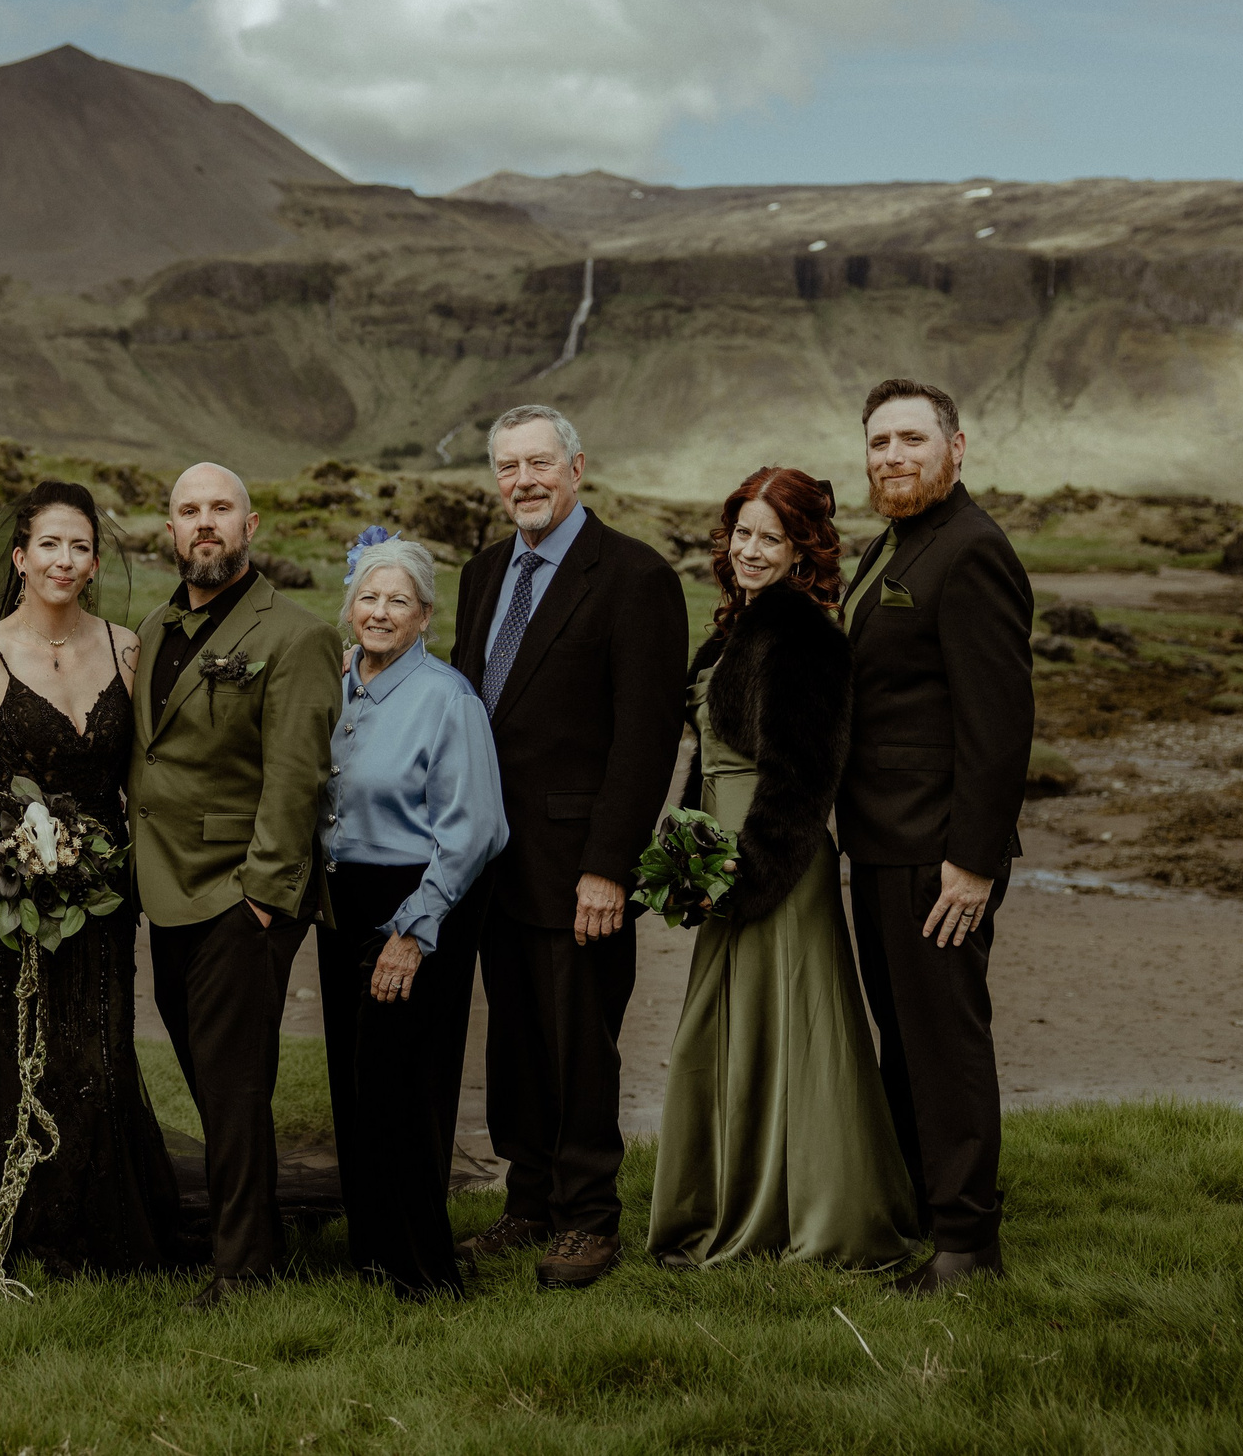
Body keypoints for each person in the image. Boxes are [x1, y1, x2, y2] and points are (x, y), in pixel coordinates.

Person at [648, 468, 918, 1271]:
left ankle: (824, 1217)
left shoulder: (803, 635)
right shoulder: (738, 627)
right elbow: (706, 766)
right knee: (726, 1035)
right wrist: (689, 862)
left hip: (778, 867)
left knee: (794, 1039)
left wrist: (745, 879)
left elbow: (804, 778)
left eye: (772, 537)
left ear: (804, 550)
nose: (751, 550)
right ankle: (735, 1200)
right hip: (728, 863)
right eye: (742, 533)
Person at [448, 404, 686, 1289]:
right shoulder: (480, 575)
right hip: (491, 862)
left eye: (539, 463)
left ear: (578, 467)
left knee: (581, 1043)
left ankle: (589, 1219)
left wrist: (607, 867)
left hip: (579, 864)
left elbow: (646, 737)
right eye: (508, 468)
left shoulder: (634, 577)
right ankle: (529, 1202)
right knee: (513, 1042)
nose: (524, 481)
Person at [0, 481, 182, 1282]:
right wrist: (1, 859)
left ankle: (91, 1233)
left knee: (95, 1058)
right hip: (4, 904)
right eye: (49, 545)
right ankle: (7, 1226)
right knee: (5, 1059)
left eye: (79, 547)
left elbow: (151, 772)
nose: (64, 560)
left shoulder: (127, 650)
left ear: (94, 561)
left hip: (99, 901)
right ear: (21, 557)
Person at [128, 462, 341, 1310]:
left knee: (235, 1081)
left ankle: (245, 1270)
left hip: (237, 897)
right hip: (166, 890)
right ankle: (244, 1230)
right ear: (171, 530)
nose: (204, 523)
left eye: (221, 509)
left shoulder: (295, 634)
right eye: (189, 511)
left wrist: (262, 897)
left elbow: (298, 779)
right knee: (206, 1074)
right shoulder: (153, 626)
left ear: (252, 527)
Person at [838, 379, 1034, 1296]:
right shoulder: (894, 544)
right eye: (879, 443)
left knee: (946, 1043)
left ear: (958, 448)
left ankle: (966, 1247)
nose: (892, 457)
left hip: (937, 854)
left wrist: (973, 863)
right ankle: (924, 1207)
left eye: (911, 439)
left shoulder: (973, 551)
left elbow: (999, 727)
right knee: (905, 1042)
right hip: (880, 843)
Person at [317, 531, 508, 1302]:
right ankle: (373, 1253)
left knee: (405, 1090)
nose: (381, 612)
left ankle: (425, 1270)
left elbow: (476, 828)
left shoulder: (448, 697)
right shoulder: (339, 688)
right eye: (369, 597)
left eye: (399, 600)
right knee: (355, 1087)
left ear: (426, 615)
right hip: (344, 904)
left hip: (418, 904)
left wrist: (411, 929)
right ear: (349, 608)